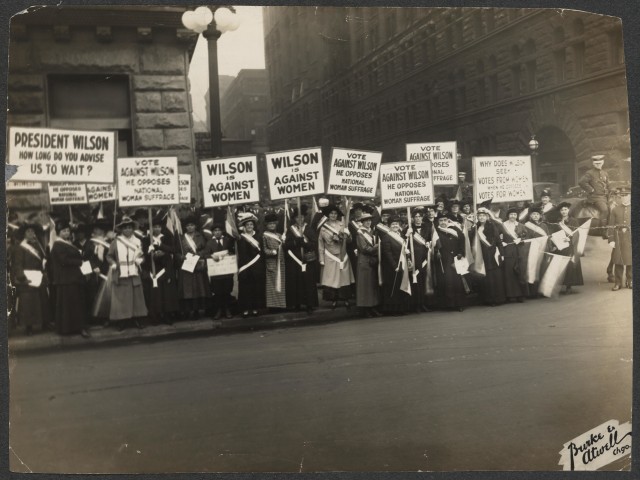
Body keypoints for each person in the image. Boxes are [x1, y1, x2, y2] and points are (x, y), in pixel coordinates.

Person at [49, 220, 91, 337]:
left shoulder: (67, 243)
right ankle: (72, 328)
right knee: (70, 304)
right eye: (63, 231)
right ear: (58, 233)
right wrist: (79, 261)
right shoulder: (58, 245)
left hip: (72, 277)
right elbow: (64, 261)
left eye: (67, 231)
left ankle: (74, 327)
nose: (66, 233)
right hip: (67, 278)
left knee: (73, 304)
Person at [107, 216, 148, 330]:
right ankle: (122, 321)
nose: (127, 230)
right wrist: (113, 263)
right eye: (125, 228)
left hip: (134, 273)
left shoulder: (138, 241)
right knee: (122, 298)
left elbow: (142, 255)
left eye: (130, 228)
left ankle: (137, 319)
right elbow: (109, 256)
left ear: (133, 229)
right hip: (121, 273)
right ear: (121, 230)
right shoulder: (115, 242)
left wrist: (141, 260)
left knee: (137, 298)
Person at [12, 222, 51, 335]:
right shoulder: (20, 248)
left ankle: (45, 323)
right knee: (29, 303)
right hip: (28, 276)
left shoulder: (38, 245)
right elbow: (17, 264)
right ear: (24, 234)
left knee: (43, 300)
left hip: (39, 275)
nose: (31, 233)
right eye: (28, 231)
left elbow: (42, 258)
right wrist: (21, 277)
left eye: (32, 231)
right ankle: (29, 326)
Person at [142, 214, 180, 324]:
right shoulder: (146, 239)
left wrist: (162, 248)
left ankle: (167, 315)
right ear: (151, 228)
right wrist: (150, 253)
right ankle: (155, 316)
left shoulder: (167, 237)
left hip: (165, 267)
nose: (156, 229)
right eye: (154, 227)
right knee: (155, 294)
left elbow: (174, 249)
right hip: (153, 269)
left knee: (166, 293)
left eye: (158, 226)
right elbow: (143, 254)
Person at [318, 204, 355, 309]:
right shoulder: (323, 228)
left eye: (335, 213)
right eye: (331, 213)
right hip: (330, 256)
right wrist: (321, 258)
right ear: (328, 215)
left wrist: (347, 235)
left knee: (344, 278)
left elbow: (350, 241)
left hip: (342, 254)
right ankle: (333, 300)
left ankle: (346, 299)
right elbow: (320, 244)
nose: (333, 215)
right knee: (332, 278)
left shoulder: (342, 225)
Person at [284, 206, 319, 313]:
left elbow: (314, 243)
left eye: (302, 217)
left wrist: (305, 243)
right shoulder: (291, 230)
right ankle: (297, 304)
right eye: (297, 217)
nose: (300, 219)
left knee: (308, 282)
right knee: (296, 282)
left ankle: (310, 304)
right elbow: (286, 245)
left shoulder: (309, 228)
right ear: (294, 218)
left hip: (307, 259)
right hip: (294, 260)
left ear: (304, 218)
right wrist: (295, 242)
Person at [177, 215, 211, 319]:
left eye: (192, 225)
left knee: (199, 288)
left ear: (195, 226)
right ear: (185, 227)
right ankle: (188, 310)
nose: (190, 227)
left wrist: (198, 255)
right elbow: (177, 252)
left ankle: (197, 310)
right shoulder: (181, 238)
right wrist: (181, 257)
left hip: (198, 266)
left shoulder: (200, 236)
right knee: (188, 290)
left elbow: (206, 250)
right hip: (187, 266)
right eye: (188, 225)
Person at [472, 207, 506, 306]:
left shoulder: (492, 226)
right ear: (477, 217)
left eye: (483, 216)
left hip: (492, 254)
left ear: (487, 217)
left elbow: (498, 242)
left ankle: (497, 299)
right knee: (485, 278)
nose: (481, 218)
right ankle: (488, 299)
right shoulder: (475, 228)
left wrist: (502, 253)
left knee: (494, 277)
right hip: (481, 255)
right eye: (479, 216)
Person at [433, 213, 467, 311]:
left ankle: (459, 304)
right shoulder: (436, 232)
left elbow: (462, 242)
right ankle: (449, 305)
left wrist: (461, 252)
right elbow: (433, 246)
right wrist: (436, 253)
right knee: (447, 282)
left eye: (445, 220)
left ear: (448, 220)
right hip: (444, 261)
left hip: (456, 259)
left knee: (457, 282)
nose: (443, 222)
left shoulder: (455, 230)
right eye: (440, 220)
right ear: (438, 222)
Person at [380, 215, 411, 315]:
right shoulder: (386, 237)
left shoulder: (401, 235)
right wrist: (394, 266)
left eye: (397, 224)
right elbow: (387, 253)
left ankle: (401, 308)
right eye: (393, 224)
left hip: (402, 264)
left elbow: (404, 248)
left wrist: (407, 252)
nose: (395, 226)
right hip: (392, 267)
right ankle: (393, 309)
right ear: (389, 226)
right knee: (392, 287)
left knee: (400, 286)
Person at [551, 202, 584, 294]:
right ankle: (562, 284)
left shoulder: (573, 221)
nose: (564, 211)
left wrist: (569, 238)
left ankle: (568, 286)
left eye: (565, 209)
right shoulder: (558, 222)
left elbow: (577, 233)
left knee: (569, 265)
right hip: (561, 247)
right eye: (562, 210)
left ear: (568, 210)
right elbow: (554, 234)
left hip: (570, 246)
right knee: (561, 266)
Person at [236, 213, 265, 317]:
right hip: (245, 266)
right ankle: (245, 309)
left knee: (256, 288)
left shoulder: (259, 236)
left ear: (254, 226)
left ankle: (255, 308)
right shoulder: (240, 238)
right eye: (247, 225)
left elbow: (262, 252)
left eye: (251, 225)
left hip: (257, 266)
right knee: (245, 289)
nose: (249, 226)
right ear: (244, 226)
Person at [84, 219, 112, 324]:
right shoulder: (90, 242)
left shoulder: (109, 242)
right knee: (93, 294)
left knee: (106, 294)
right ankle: (93, 318)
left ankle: (105, 317)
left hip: (106, 272)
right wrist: (93, 266)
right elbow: (86, 258)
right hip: (94, 273)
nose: (97, 230)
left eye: (99, 228)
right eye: (95, 228)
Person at [355, 209, 382, 317]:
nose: (368, 222)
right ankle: (366, 309)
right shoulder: (360, 233)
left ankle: (373, 307)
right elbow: (365, 248)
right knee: (365, 287)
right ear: (362, 222)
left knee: (372, 286)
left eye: (369, 220)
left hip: (372, 261)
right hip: (364, 262)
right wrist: (378, 246)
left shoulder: (372, 231)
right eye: (366, 221)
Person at [206, 223, 236, 319]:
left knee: (227, 290)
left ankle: (227, 309)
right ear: (213, 232)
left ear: (222, 231)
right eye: (215, 231)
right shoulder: (209, 242)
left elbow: (233, 252)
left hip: (227, 271)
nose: (217, 232)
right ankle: (218, 310)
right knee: (217, 291)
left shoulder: (228, 240)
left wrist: (228, 254)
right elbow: (205, 254)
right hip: (216, 272)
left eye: (219, 230)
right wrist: (211, 256)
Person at [500, 207, 528, 302]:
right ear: (508, 215)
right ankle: (511, 295)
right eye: (511, 214)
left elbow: (526, 238)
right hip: (508, 251)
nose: (513, 216)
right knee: (509, 273)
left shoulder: (521, 225)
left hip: (519, 251)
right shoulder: (502, 225)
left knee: (520, 272)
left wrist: (521, 240)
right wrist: (501, 242)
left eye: (515, 214)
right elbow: (499, 237)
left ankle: (521, 295)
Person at [523, 205, 551, 298]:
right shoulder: (526, 225)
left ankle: (542, 291)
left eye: (537, 214)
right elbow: (526, 239)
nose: (535, 216)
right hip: (532, 250)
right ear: (530, 216)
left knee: (543, 268)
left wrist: (549, 247)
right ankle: (532, 292)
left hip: (543, 250)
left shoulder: (544, 225)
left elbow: (548, 238)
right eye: (533, 214)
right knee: (532, 269)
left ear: (540, 216)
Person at [608, 187, 632, 291]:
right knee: (618, 260)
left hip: (631, 238)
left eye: (626, 195)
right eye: (621, 195)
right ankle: (618, 283)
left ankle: (630, 281)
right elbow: (610, 225)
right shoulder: (615, 209)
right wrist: (611, 240)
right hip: (618, 238)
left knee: (631, 260)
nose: (623, 197)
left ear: (630, 195)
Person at [579, 155, 610, 230]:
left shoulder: (605, 173)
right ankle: (603, 229)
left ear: (603, 163)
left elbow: (608, 184)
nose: (598, 165)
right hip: (595, 197)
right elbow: (581, 182)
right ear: (593, 164)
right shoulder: (590, 173)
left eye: (599, 163)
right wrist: (591, 190)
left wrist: (611, 190)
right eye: (596, 163)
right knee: (604, 210)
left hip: (604, 196)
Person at [263, 212, 287, 310]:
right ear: (267, 225)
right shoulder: (264, 236)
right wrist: (272, 252)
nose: (272, 225)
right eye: (270, 224)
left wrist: (284, 241)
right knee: (272, 285)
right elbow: (264, 250)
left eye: (273, 223)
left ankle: (281, 305)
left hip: (281, 262)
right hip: (271, 262)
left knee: (280, 284)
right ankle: (272, 306)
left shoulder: (279, 235)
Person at [409, 208, 430, 313]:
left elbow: (430, 240)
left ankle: (423, 304)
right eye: (415, 217)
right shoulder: (408, 229)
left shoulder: (427, 228)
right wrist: (406, 235)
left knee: (423, 282)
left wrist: (429, 244)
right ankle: (416, 305)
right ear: (412, 218)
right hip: (414, 259)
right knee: (415, 283)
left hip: (424, 259)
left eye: (419, 216)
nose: (418, 218)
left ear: (422, 217)